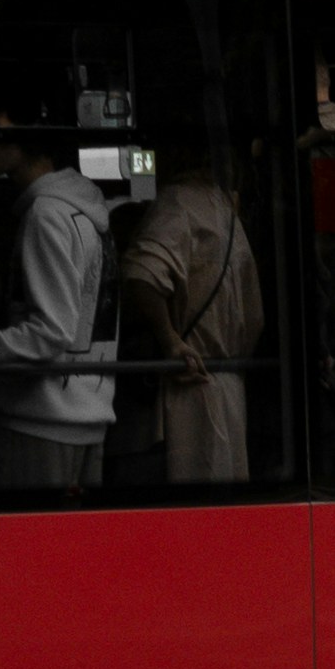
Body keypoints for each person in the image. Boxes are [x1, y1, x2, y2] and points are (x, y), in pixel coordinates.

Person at [112, 133, 267, 485]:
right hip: (228, 388)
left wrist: (169, 340)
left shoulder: (178, 202)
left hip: (188, 386)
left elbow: (142, 273)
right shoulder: (224, 208)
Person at [0, 116, 113, 488]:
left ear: (30, 140)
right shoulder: (87, 213)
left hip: (37, 419)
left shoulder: (45, 215)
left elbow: (52, 332)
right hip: (87, 412)